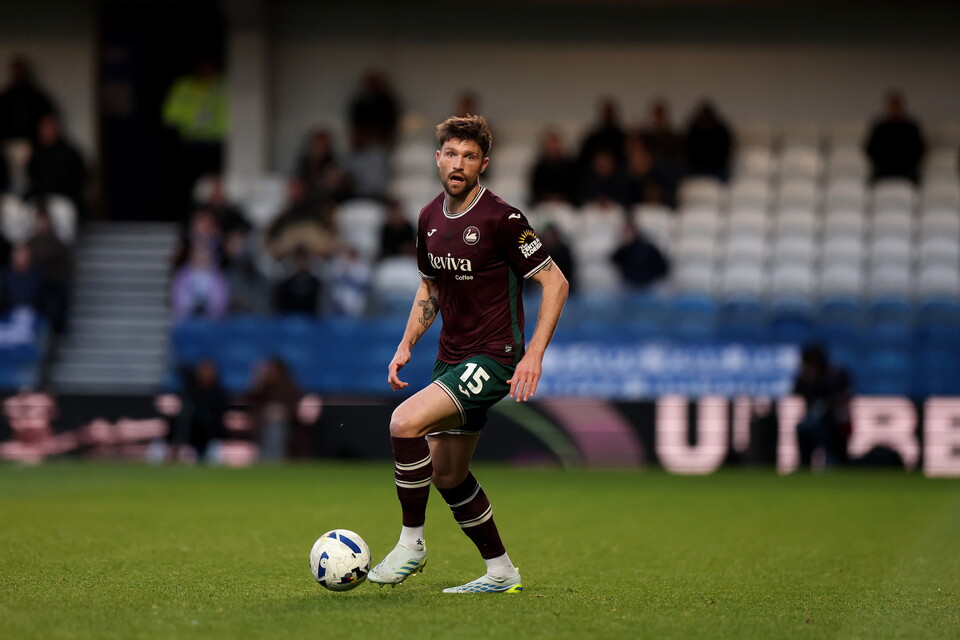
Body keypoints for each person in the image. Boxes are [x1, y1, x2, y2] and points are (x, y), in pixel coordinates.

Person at [368, 115, 568, 594]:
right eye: (452, 154)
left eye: (470, 156)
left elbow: (555, 282)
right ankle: (501, 572)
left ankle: (411, 544)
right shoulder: (428, 219)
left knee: (403, 423)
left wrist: (533, 355)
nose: (459, 164)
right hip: (451, 356)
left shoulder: (503, 219)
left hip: (494, 357)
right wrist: (406, 343)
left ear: (483, 164)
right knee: (448, 474)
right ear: (438, 158)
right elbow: (430, 287)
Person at [793, 344, 852, 469]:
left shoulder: (835, 376)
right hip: (812, 423)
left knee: (826, 429)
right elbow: (798, 395)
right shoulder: (803, 379)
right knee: (802, 428)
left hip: (835, 423)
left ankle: (832, 463)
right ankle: (804, 465)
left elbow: (842, 400)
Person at [26, 113, 88, 217]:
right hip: (39, 200)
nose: (45, 130)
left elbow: (79, 181)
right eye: (42, 127)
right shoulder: (36, 153)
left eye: (48, 126)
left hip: (63, 200)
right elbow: (32, 179)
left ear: (56, 128)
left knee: (63, 213)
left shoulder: (69, 153)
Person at [865, 91, 926, 184]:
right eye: (892, 106)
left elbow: (919, 149)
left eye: (896, 106)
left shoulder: (911, 127)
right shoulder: (880, 127)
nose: (894, 109)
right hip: (884, 169)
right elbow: (870, 149)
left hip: (906, 169)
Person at [0, 56, 56, 144]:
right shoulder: (5, 98)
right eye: (17, 71)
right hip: (7, 143)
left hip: (35, 144)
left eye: (21, 71)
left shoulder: (38, 98)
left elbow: (48, 123)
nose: (19, 74)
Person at [684, 100, 734, 182]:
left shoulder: (721, 132)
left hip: (717, 169)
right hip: (696, 169)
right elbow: (688, 152)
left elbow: (725, 153)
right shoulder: (693, 130)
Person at [610, 222, 670, 288]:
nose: (627, 235)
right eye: (626, 233)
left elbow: (662, 267)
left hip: (650, 286)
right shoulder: (622, 251)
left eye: (629, 233)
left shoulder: (648, 248)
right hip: (629, 286)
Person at [529, 128, 578, 206]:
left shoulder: (570, 166)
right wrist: (548, 197)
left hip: (566, 205)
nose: (553, 146)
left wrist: (561, 198)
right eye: (551, 143)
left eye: (555, 143)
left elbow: (574, 189)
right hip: (544, 204)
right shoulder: (539, 167)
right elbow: (536, 190)